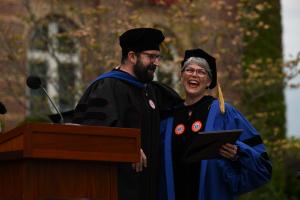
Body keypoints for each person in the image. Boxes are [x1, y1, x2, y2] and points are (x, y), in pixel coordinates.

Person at [72, 28, 181, 200]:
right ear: (132, 56)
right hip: (117, 187)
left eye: (157, 57)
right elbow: (93, 132)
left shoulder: (150, 90)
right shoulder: (107, 87)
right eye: (150, 57)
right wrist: (127, 146)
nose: (156, 62)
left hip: (148, 186)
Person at [160, 48, 272, 200]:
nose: (194, 74)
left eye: (201, 72)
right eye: (189, 70)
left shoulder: (223, 112)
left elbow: (262, 165)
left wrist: (237, 154)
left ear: (208, 81)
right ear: (181, 76)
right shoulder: (168, 116)